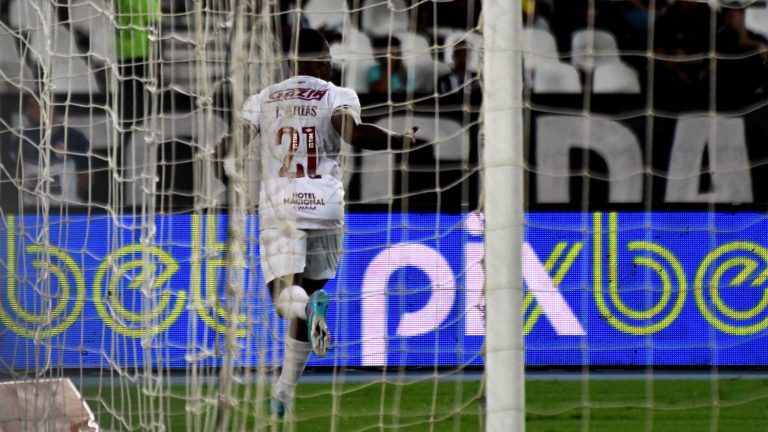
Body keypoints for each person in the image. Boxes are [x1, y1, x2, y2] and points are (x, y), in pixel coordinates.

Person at [239, 27, 418, 418]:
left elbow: (233, 143)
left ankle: (306, 317)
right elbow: (352, 133)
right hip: (327, 209)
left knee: (288, 301)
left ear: (290, 64)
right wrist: (398, 139)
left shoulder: (263, 98)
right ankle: (283, 393)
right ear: (322, 62)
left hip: (281, 209)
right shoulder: (337, 95)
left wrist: (219, 160)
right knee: (310, 294)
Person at [9, 93, 91, 206]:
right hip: (32, 211)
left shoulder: (75, 139)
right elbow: (16, 174)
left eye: (31, 106)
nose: (27, 113)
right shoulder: (21, 139)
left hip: (67, 210)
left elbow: (86, 178)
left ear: (47, 107)